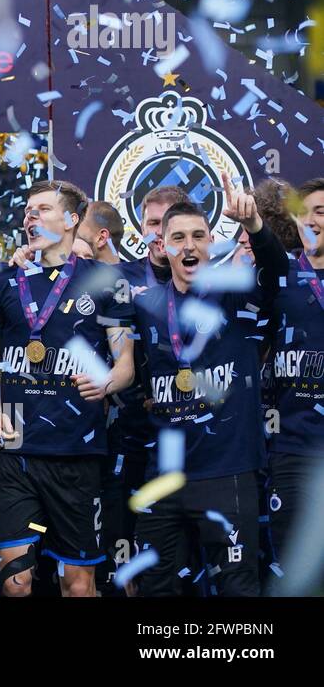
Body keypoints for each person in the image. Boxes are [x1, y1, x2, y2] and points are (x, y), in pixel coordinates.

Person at [132, 176, 289, 597]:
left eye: (198, 236)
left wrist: (255, 225)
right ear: (162, 246)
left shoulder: (234, 295)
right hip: (163, 476)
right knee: (156, 588)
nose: (189, 245)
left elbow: (277, 269)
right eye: (178, 237)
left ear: (212, 243)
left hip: (227, 470)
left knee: (237, 587)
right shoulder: (145, 306)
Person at [0, 179, 134, 597]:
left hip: (77, 451)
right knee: (15, 582)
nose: (32, 217)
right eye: (29, 210)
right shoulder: (2, 279)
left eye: (43, 209)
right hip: (16, 451)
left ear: (71, 220)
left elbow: (126, 365)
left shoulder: (106, 280)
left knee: (78, 583)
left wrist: (107, 381)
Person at [264, 177, 322, 579]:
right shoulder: (277, 277)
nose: (319, 220)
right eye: (313, 210)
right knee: (292, 566)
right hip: (292, 446)